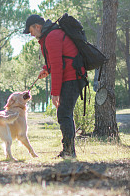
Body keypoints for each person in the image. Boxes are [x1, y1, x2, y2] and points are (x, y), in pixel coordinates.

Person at [23, 14, 86, 159]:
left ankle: (69, 152)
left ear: (37, 26)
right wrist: (46, 68)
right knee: (65, 114)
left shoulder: (52, 37)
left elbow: (58, 67)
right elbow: (57, 60)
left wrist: (55, 93)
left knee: (64, 114)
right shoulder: (51, 35)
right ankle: (69, 151)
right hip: (73, 77)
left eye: (31, 31)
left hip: (72, 78)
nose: (31, 34)